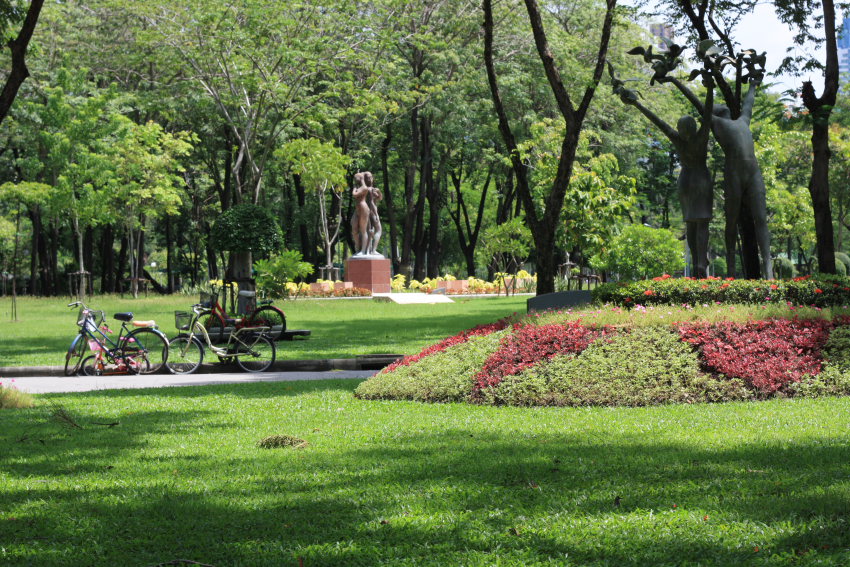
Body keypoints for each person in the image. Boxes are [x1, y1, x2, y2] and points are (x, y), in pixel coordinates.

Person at [616, 78, 714, 277]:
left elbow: (658, 121)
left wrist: (637, 104)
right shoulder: (701, 137)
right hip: (701, 180)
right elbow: (708, 112)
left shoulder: (677, 139)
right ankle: (701, 264)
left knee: (690, 223)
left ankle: (696, 263)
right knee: (702, 222)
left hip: (685, 182)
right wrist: (710, 88)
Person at [711, 77, 773, 279]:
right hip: (734, 175)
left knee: (760, 219)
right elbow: (700, 105)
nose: (723, 106)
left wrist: (753, 85)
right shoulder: (718, 123)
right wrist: (707, 87)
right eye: (718, 106)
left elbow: (748, 104)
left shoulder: (742, 121)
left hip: (753, 173)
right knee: (732, 221)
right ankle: (730, 268)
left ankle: (768, 269)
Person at [350, 172, 370, 255]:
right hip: (357, 209)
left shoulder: (364, 187)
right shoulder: (359, 187)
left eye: (356, 178)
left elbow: (354, 194)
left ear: (360, 178)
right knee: (354, 229)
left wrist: (354, 188)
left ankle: (363, 250)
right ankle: (358, 248)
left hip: (363, 209)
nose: (355, 180)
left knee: (363, 230)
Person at [364, 171, 383, 256]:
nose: (370, 179)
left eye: (370, 177)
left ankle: (369, 250)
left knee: (370, 231)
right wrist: (376, 214)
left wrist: (379, 192)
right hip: (372, 212)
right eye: (368, 178)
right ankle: (373, 250)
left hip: (368, 212)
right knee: (378, 230)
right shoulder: (369, 189)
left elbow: (380, 198)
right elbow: (371, 202)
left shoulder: (370, 189)